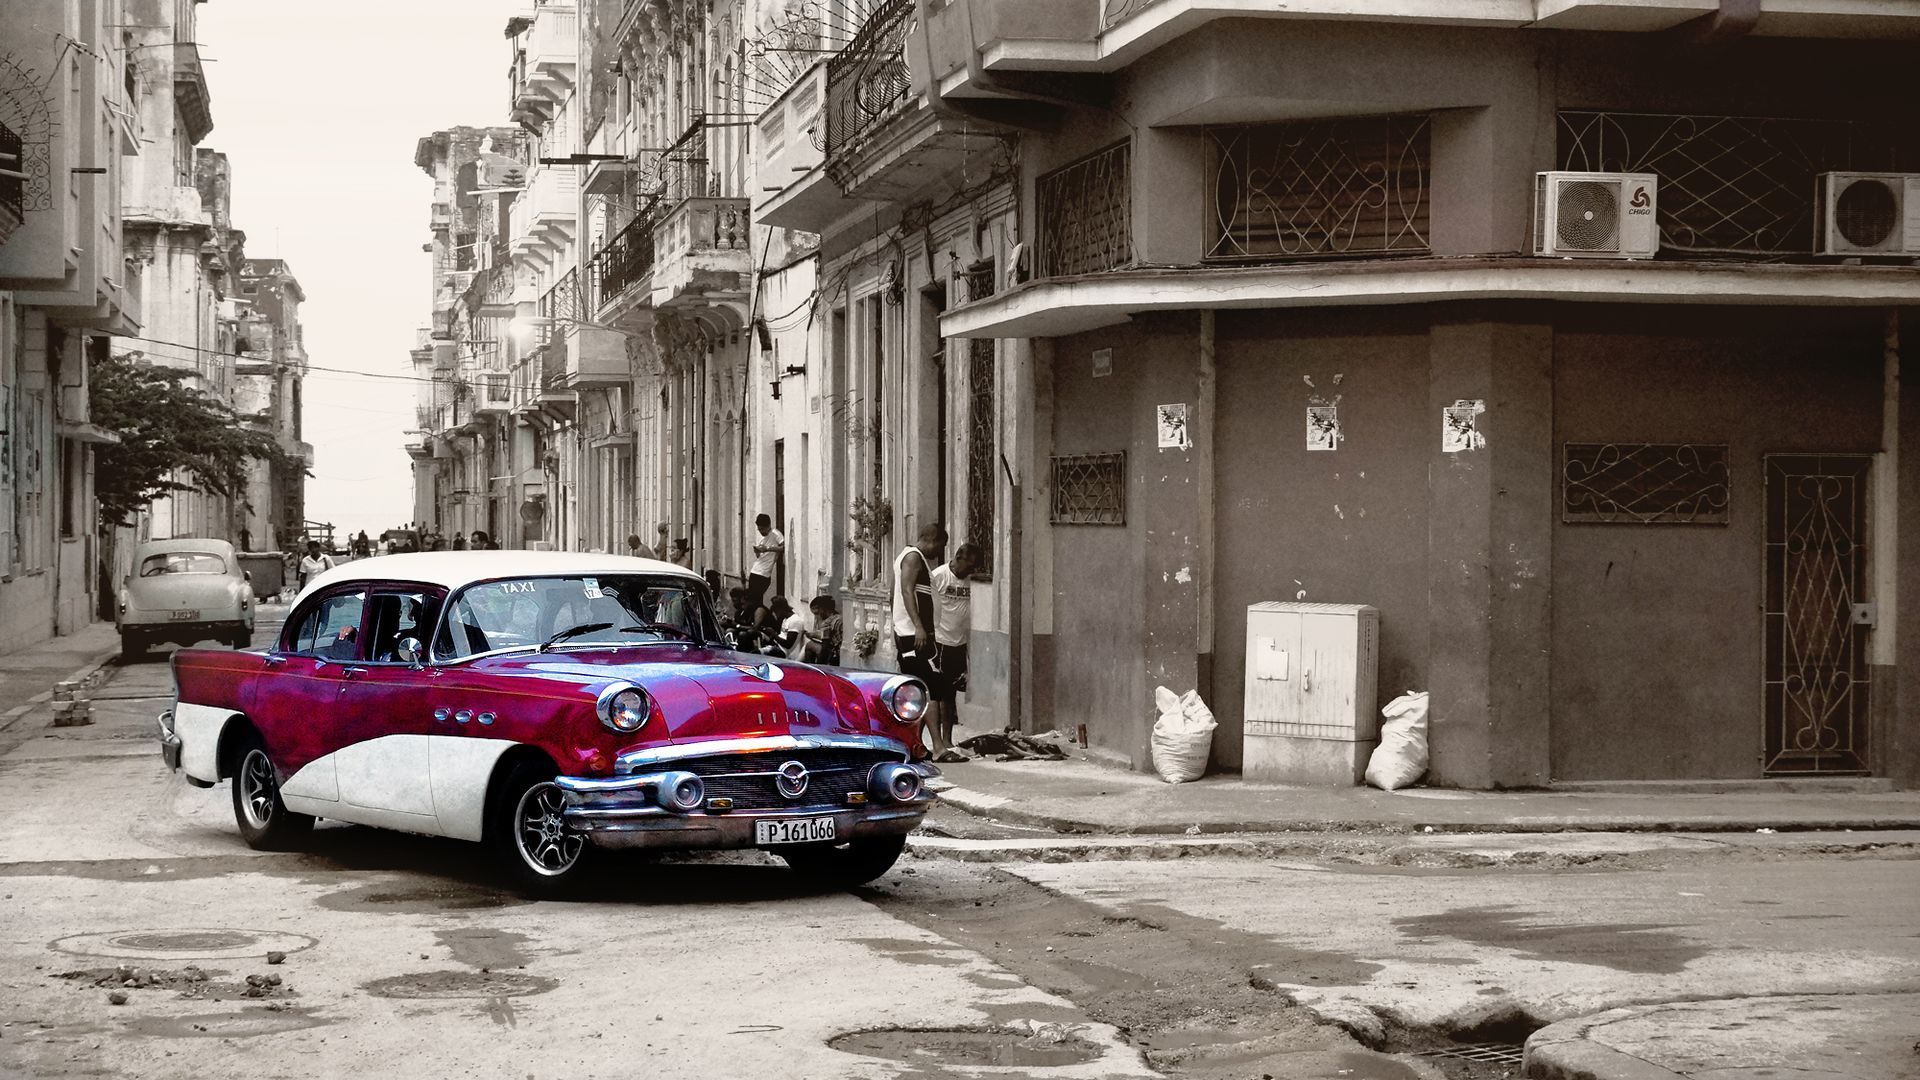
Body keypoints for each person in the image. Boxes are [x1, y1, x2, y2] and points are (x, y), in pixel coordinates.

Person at [925, 543, 981, 753]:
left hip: (959, 643)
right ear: (958, 557)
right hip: (940, 641)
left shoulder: (971, 580)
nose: (970, 570)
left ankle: (947, 740)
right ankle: (935, 741)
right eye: (969, 565)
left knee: (950, 695)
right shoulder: (938, 576)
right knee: (935, 694)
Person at [891, 522, 947, 697]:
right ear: (932, 540)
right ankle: (930, 725)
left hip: (908, 631)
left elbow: (893, 594)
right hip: (914, 634)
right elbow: (906, 591)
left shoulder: (905, 556)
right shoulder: (913, 557)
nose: (940, 552)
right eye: (941, 546)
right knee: (927, 687)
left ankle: (923, 725)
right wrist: (919, 626)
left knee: (919, 685)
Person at [746, 513, 784, 608]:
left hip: (764, 573)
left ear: (768, 526)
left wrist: (767, 549)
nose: (760, 532)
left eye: (762, 529)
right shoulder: (763, 538)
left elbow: (783, 547)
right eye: (759, 529)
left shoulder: (776, 534)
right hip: (756, 570)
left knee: (756, 600)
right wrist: (757, 551)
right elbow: (760, 556)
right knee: (752, 599)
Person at [801, 595, 842, 666]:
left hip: (835, 655)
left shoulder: (827, 623)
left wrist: (820, 665)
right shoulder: (839, 618)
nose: (816, 617)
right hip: (840, 651)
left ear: (822, 609)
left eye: (817, 614)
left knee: (809, 645)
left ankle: (811, 668)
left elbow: (825, 647)